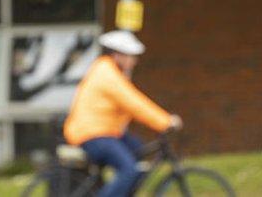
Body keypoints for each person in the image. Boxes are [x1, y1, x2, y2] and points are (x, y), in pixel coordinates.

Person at [64, 30, 182, 197]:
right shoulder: (106, 74)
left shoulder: (111, 72)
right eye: (131, 56)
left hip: (108, 132)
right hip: (92, 134)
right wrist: (165, 121)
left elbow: (131, 105)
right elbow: (134, 103)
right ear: (117, 55)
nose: (134, 60)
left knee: (139, 151)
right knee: (129, 169)